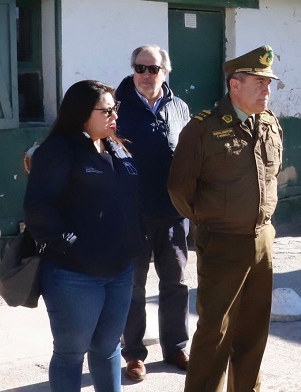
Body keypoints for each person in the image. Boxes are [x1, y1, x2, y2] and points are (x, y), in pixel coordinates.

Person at [167, 45, 283, 392]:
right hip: (221, 241)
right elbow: (179, 188)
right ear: (235, 85)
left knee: (253, 330)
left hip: (263, 239)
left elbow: (271, 178)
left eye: (269, 83)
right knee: (215, 333)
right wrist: (211, 219)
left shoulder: (270, 123)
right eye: (259, 83)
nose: (267, 90)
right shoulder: (203, 129)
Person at [24, 80, 145, 392]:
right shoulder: (58, 150)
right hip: (74, 273)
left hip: (119, 270)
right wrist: (74, 245)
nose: (113, 114)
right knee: (70, 353)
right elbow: (39, 210)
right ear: (80, 113)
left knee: (108, 349)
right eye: (105, 110)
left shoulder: (115, 146)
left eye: (115, 108)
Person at [116, 44, 191, 382]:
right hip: (131, 214)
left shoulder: (179, 108)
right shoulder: (115, 107)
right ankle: (133, 354)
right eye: (139, 67)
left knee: (175, 282)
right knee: (132, 288)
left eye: (153, 69)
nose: (146, 75)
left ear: (166, 71)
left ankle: (175, 346)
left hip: (172, 212)